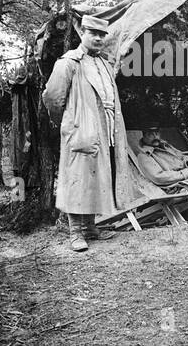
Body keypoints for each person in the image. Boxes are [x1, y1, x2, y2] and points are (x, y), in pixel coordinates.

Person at [42, 14, 138, 252]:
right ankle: (75, 233)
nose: (97, 38)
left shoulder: (104, 64)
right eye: (93, 33)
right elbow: (53, 98)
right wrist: (69, 124)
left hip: (104, 129)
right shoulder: (69, 63)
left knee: (95, 179)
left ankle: (91, 228)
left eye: (101, 35)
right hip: (80, 129)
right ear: (82, 34)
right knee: (78, 180)